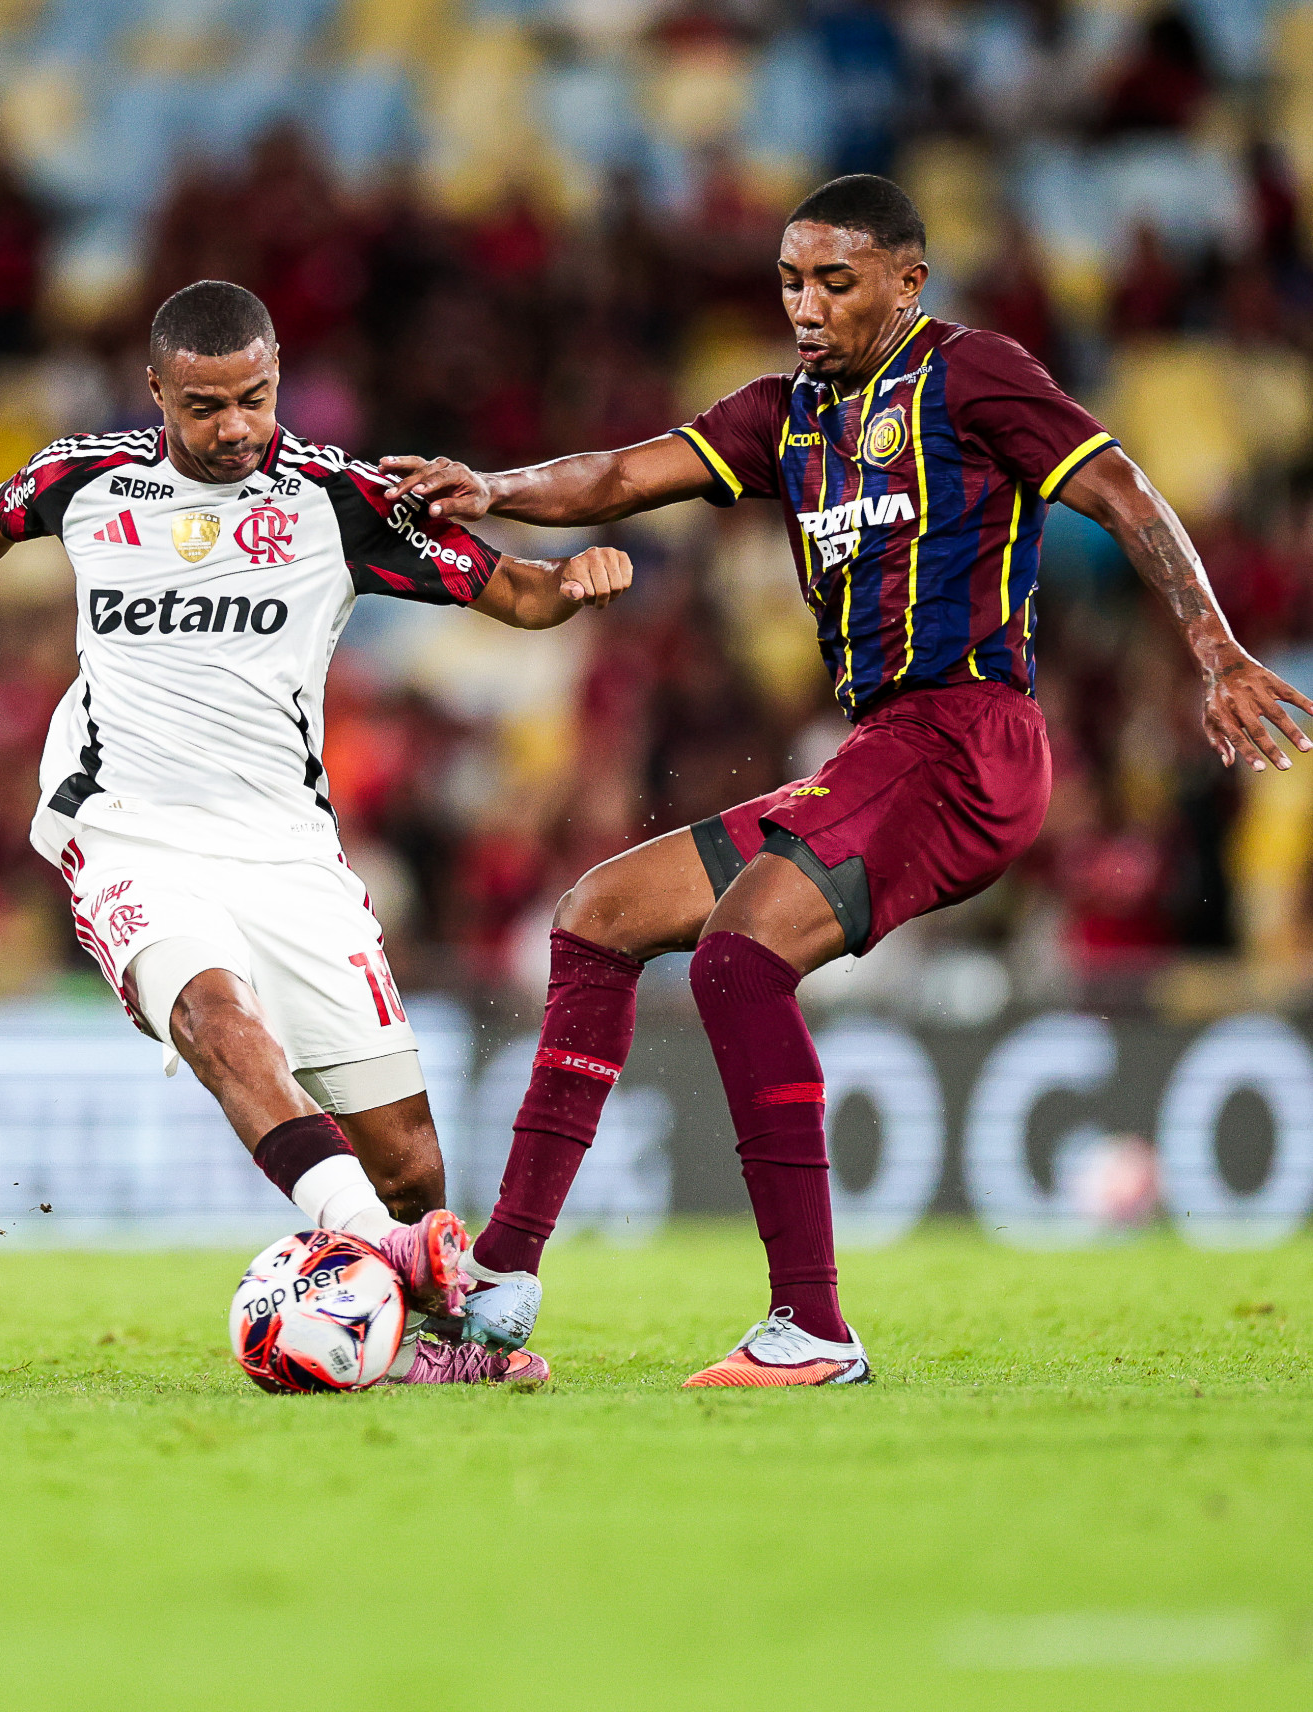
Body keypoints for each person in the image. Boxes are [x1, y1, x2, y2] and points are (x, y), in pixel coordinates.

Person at [379, 174, 1313, 1388]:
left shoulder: (971, 377)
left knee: (736, 959)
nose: (805, 306)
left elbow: (1121, 490)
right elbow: (615, 476)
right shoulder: (785, 414)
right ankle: (497, 1292)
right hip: (881, 749)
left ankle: (811, 1328)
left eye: (835, 281)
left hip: (967, 736)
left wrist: (1214, 647)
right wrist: (496, 489)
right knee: (597, 916)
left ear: (907, 282)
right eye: (789, 282)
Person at [0, 279, 632, 1389]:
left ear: (277, 380)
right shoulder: (86, 479)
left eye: (253, 400)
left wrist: (575, 580)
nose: (233, 428)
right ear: (156, 391)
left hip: (287, 851)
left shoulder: (337, 502)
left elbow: (516, 595)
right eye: (204, 406)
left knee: (408, 1158)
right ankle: (384, 1247)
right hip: (127, 831)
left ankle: (441, 1344)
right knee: (218, 1020)